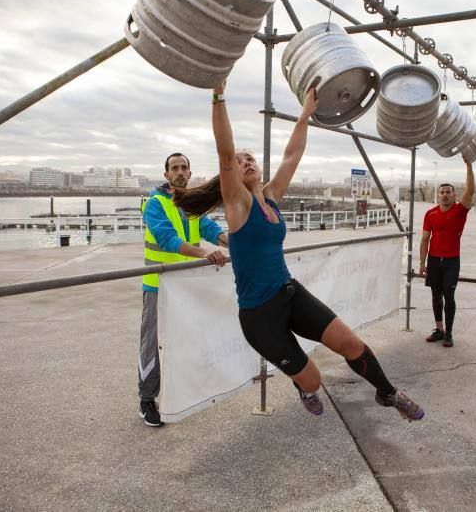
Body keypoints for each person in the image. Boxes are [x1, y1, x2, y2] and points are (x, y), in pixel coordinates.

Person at [172, 81, 424, 421]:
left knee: (350, 344)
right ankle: (304, 386)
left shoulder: (271, 197)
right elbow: (223, 150)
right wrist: (218, 95)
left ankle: (388, 392)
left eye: (250, 158)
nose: (244, 161)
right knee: (314, 379)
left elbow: (292, 155)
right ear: (229, 173)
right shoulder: (236, 202)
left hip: (289, 293)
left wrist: (305, 113)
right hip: (260, 316)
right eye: (239, 159)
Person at [138, 152, 228, 427]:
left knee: (185, 341)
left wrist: (231, 243)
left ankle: (182, 393)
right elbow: (166, 238)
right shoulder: (155, 203)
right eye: (174, 168)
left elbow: (209, 228)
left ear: (190, 173)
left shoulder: (190, 205)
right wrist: (204, 253)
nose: (179, 172)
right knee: (152, 345)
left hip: (186, 287)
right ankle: (146, 400)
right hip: (159, 285)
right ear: (166, 175)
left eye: (184, 167)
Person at [418, 159, 475, 348]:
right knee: (436, 296)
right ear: (438, 195)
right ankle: (439, 330)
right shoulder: (430, 214)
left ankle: (449, 333)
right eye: (441, 192)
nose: (444, 195)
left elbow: (471, 190)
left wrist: (469, 166)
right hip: (434, 260)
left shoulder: (460, 210)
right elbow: (425, 239)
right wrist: (422, 262)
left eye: (448, 192)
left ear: (454, 195)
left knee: (449, 297)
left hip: (451, 261)